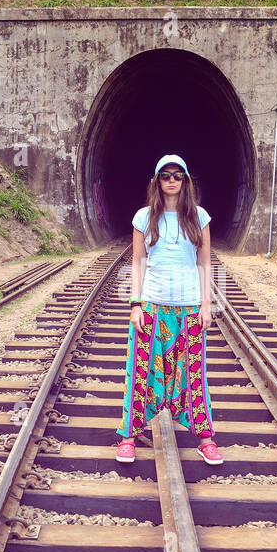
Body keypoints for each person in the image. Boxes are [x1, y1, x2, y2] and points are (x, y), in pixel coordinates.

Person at [115, 154, 223, 465]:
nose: (172, 180)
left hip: (189, 308)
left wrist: (206, 305)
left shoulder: (199, 217)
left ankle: (205, 439)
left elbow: (204, 263)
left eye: (177, 175)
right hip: (152, 306)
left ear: (186, 180)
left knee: (193, 373)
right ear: (157, 181)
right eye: (165, 175)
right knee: (139, 372)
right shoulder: (143, 217)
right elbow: (137, 262)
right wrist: (135, 304)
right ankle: (128, 437)